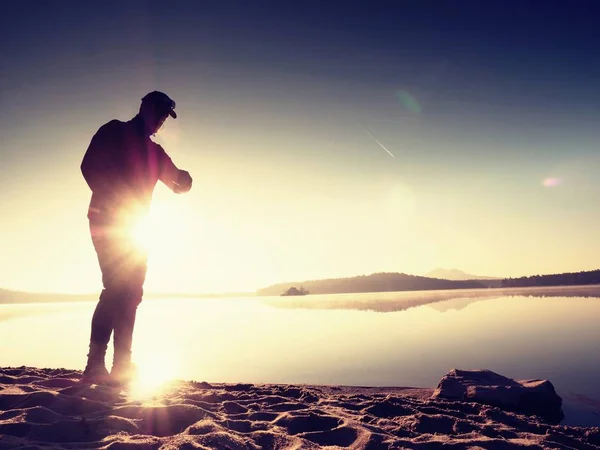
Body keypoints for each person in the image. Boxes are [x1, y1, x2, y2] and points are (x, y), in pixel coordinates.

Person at [80, 91, 193, 385]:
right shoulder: (114, 131)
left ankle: (122, 365)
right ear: (143, 107)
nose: (159, 121)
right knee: (116, 287)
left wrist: (185, 180)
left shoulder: (155, 153)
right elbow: (88, 166)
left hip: (138, 228)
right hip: (107, 222)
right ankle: (94, 364)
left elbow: (176, 180)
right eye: (158, 113)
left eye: (164, 118)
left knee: (132, 293)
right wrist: (114, 198)